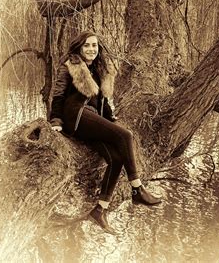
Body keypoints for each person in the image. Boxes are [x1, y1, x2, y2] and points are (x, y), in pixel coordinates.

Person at [49, 31, 162, 234]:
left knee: (116, 158)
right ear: (79, 48)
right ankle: (137, 188)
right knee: (125, 135)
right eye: (87, 45)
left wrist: (110, 119)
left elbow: (101, 102)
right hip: (76, 115)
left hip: (91, 119)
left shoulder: (99, 69)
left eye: (95, 45)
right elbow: (57, 95)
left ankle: (100, 209)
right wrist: (55, 121)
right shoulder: (70, 65)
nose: (92, 49)